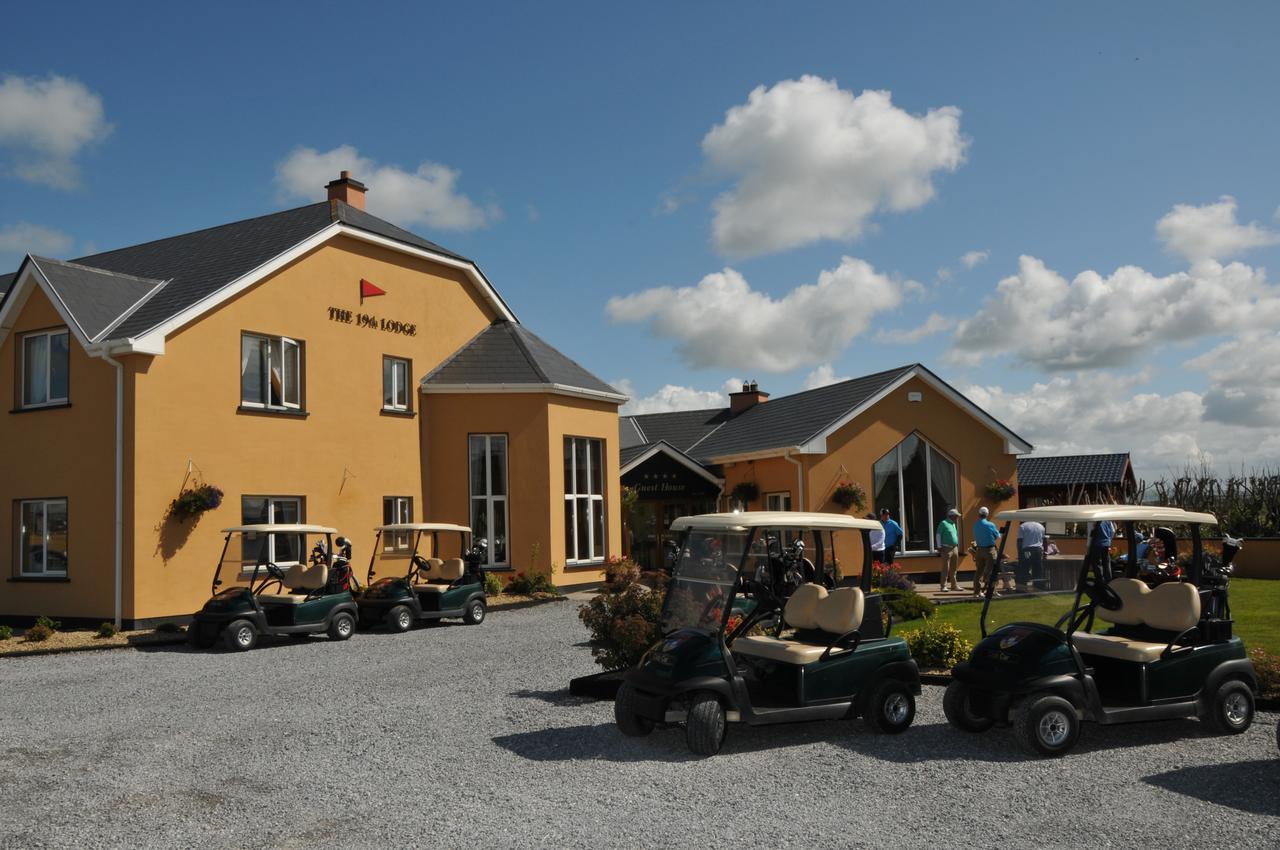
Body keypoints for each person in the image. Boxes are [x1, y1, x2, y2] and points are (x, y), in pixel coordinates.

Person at [972, 506, 1001, 597]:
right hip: (989, 550)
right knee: (991, 572)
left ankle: (977, 592)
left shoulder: (975, 524)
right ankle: (992, 591)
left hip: (979, 550)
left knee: (979, 572)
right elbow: (997, 536)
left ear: (978, 514)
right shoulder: (990, 524)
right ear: (987, 514)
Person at [1016, 518, 1046, 592]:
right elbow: (1044, 540)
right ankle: (1039, 589)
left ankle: (1022, 590)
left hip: (1027, 550)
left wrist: (1020, 554)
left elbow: (1019, 541)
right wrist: (1044, 551)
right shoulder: (1041, 526)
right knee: (1038, 570)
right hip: (1038, 550)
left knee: (1024, 569)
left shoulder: (1023, 526)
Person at [935, 508, 961, 592]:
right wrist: (939, 546)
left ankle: (954, 585)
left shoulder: (953, 524)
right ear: (952, 516)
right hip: (946, 548)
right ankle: (943, 586)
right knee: (945, 568)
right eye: (956, 516)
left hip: (954, 548)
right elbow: (938, 534)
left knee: (954, 568)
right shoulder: (943, 523)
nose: (957, 517)